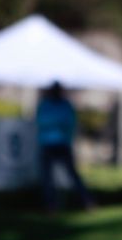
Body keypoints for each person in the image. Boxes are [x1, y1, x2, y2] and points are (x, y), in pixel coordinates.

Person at [35, 81, 95, 212]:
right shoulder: (45, 105)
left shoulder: (64, 105)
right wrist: (57, 123)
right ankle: (50, 206)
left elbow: (69, 122)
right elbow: (41, 121)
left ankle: (87, 202)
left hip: (62, 144)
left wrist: (55, 124)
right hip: (48, 145)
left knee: (72, 175)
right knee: (48, 178)